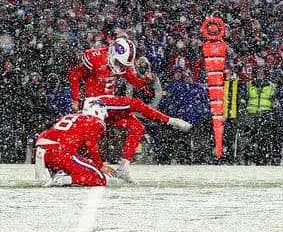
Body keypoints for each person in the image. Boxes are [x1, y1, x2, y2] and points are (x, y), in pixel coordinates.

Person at [68, 37, 190, 182]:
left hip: (108, 106)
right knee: (135, 103)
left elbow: (134, 82)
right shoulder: (95, 56)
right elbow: (75, 75)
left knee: (137, 127)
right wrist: (75, 100)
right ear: (112, 53)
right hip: (95, 103)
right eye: (119, 63)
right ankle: (170, 120)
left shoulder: (122, 63)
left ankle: (123, 168)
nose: (120, 66)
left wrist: (146, 80)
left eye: (124, 64)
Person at [34, 98, 116, 187]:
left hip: (41, 149)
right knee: (100, 178)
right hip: (60, 152)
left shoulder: (69, 116)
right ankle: (62, 179)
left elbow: (50, 133)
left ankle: (61, 172)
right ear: (99, 111)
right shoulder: (94, 121)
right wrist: (99, 165)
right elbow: (91, 145)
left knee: (80, 165)